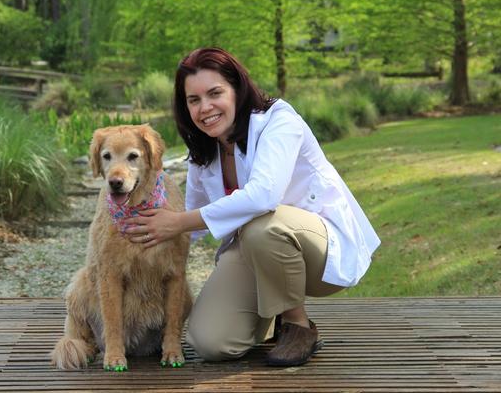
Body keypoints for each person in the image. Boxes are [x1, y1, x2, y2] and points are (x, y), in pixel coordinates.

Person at [123, 47, 380, 366]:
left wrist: (177, 222)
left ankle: (297, 326)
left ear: (237, 89)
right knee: (209, 342)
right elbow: (195, 223)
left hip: (317, 249)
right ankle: (269, 314)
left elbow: (263, 196)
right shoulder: (204, 150)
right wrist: (139, 225)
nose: (206, 108)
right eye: (194, 100)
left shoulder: (279, 120)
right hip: (258, 251)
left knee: (262, 225)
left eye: (215, 93)